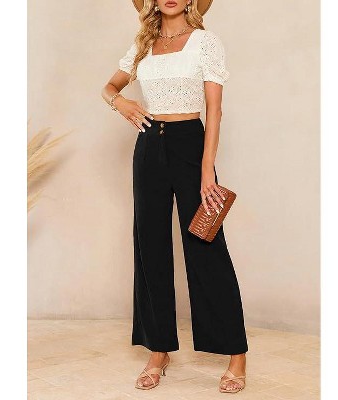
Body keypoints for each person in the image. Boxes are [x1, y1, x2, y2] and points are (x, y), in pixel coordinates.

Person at [101, 0, 248, 394]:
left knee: (206, 243)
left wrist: (206, 168)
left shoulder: (205, 42)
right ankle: (159, 350)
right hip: (149, 146)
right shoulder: (143, 44)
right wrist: (121, 102)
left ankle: (236, 354)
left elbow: (214, 110)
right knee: (150, 247)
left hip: (190, 145)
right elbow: (109, 87)